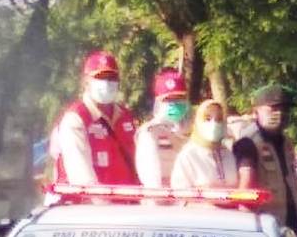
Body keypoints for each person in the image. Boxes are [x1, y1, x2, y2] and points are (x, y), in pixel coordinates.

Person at [48, 50, 139, 188]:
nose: (107, 83)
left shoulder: (125, 117)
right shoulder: (76, 119)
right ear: (86, 82)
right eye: (100, 77)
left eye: (112, 78)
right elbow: (82, 179)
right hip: (86, 206)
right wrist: (101, 206)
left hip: (126, 204)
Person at [232, 84, 297, 236]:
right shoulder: (248, 143)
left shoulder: (286, 143)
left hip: (289, 230)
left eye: (285, 109)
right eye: (273, 108)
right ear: (256, 111)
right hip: (264, 231)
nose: (280, 114)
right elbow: (244, 195)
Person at [135, 69, 191, 187]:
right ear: (158, 102)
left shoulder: (193, 132)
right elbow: (151, 178)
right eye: (168, 100)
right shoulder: (150, 133)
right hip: (161, 200)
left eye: (178, 99)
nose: (174, 104)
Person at [171, 100, 239, 189]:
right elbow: (179, 192)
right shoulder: (189, 155)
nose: (214, 124)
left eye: (219, 119)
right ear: (198, 122)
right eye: (207, 119)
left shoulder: (228, 154)